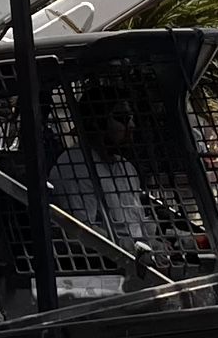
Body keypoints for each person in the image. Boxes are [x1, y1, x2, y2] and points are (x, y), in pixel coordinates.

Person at [49, 81, 157, 256]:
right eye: (122, 118)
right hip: (106, 261)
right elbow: (82, 233)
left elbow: (137, 223)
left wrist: (157, 245)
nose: (131, 126)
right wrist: (129, 248)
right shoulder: (75, 166)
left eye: (131, 118)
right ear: (97, 122)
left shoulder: (126, 168)